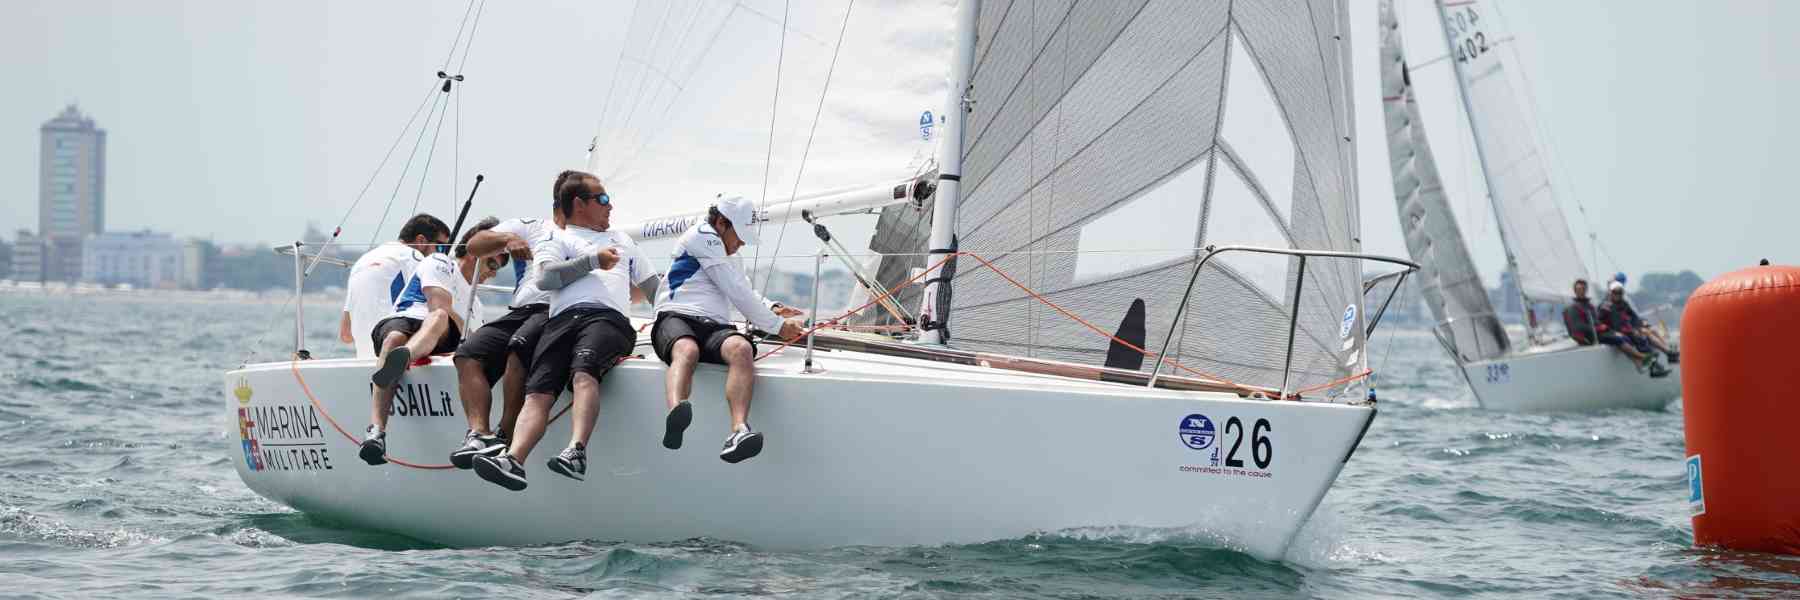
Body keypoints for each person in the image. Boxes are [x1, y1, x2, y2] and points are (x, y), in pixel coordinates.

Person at [472, 171, 659, 491]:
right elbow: (545, 279)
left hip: (607, 320)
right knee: (539, 390)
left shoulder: (622, 240)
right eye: (602, 199)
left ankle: (575, 451)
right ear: (579, 204)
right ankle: (513, 459)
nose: (610, 206)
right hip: (561, 320)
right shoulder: (553, 238)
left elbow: (655, 289)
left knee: (583, 372)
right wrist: (592, 261)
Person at [651, 195, 805, 463]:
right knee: (686, 349)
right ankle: (676, 411)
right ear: (721, 223)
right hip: (676, 316)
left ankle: (739, 431)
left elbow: (743, 288)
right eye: (740, 234)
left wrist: (773, 307)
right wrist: (778, 328)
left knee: (741, 348)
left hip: (713, 325)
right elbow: (734, 289)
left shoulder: (730, 256)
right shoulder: (701, 236)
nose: (743, 242)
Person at [359, 217, 514, 466]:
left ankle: (402, 359)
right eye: (494, 263)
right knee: (398, 337)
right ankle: (376, 432)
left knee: (433, 324)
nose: (494, 273)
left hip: (441, 337)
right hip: (407, 319)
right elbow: (438, 305)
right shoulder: (441, 262)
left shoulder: (477, 305)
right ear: (475, 255)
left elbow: (472, 341)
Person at [446, 176, 575, 469]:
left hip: (557, 311)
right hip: (521, 309)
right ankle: (480, 434)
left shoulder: (597, 237)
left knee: (518, 347)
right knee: (467, 354)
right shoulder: (531, 226)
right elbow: (475, 244)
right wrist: (508, 239)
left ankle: (504, 436)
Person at [339, 214, 449, 358]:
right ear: (421, 240)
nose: (443, 255)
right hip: (396, 357)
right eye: (441, 248)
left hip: (364, 358)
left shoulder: (361, 262)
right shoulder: (414, 257)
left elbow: (346, 334)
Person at [1599, 279, 1679, 363]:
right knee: (1643, 335)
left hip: (1626, 329)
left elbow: (1634, 317)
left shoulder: (1623, 304)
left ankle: (1667, 353)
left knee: (1647, 331)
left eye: (1619, 292)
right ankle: (1659, 357)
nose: (1617, 295)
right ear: (1610, 293)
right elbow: (1613, 324)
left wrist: (1638, 327)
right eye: (1615, 292)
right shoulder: (1606, 306)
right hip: (1616, 332)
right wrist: (1632, 330)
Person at [1562, 279, 1601, 345]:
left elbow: (1596, 322)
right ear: (1575, 291)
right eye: (1579, 289)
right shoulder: (1571, 308)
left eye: (1583, 289)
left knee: (1617, 338)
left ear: (1586, 290)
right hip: (1583, 339)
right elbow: (1577, 327)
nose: (1581, 291)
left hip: (1595, 336)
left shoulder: (1590, 306)